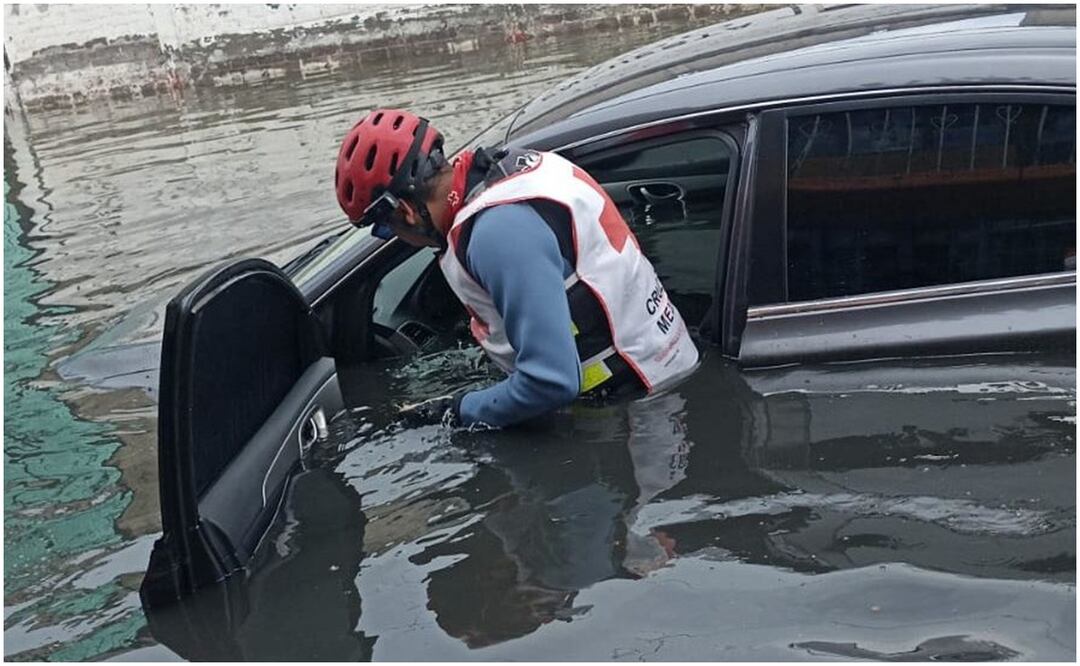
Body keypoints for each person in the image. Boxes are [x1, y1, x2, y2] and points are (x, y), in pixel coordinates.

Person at [334, 108, 699, 428]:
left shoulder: (496, 234)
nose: (391, 236)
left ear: (405, 211)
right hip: (669, 368)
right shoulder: (516, 169)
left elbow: (551, 383)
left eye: (384, 229)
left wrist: (453, 411)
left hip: (640, 409)